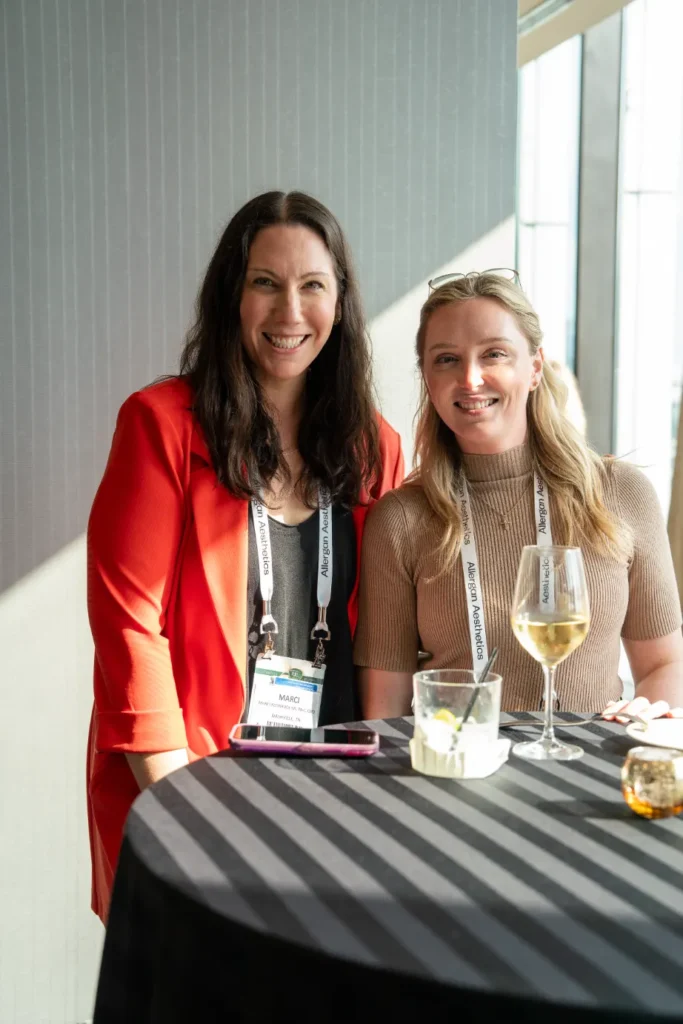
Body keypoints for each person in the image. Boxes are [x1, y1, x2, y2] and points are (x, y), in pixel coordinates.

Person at [86, 190, 404, 922]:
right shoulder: (162, 426)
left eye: (312, 285)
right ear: (233, 295)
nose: (290, 311)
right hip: (202, 790)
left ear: (340, 303)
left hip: (342, 795)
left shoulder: (374, 447)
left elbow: (397, 626)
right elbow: (130, 626)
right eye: (266, 282)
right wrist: (183, 813)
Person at [354, 271, 683, 722]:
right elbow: (384, 713)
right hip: (459, 763)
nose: (470, 378)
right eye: (447, 359)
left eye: (494, 354)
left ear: (534, 368)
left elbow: (664, 665)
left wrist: (644, 721)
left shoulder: (621, 493)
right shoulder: (401, 519)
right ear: (427, 379)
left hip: (588, 764)